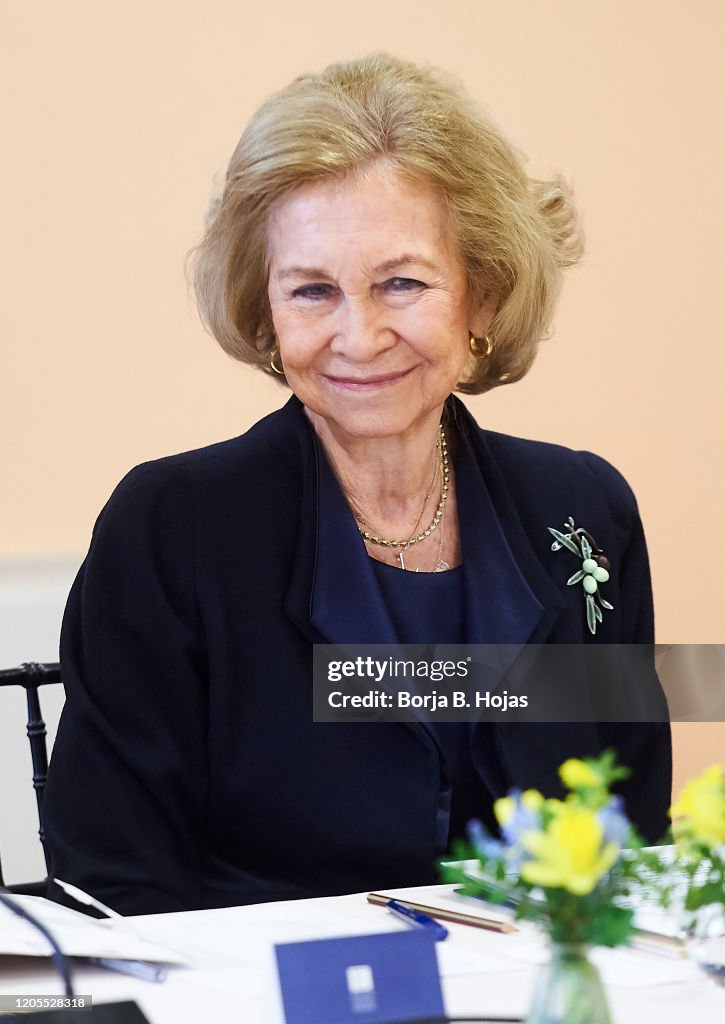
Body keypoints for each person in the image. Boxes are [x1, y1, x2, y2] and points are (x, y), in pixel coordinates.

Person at [44, 53, 671, 916]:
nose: (359, 335)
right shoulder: (172, 526)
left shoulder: (583, 509)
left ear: (480, 301)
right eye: (312, 290)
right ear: (265, 313)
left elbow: (628, 834)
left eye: (401, 283)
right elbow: (115, 886)